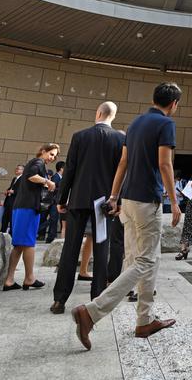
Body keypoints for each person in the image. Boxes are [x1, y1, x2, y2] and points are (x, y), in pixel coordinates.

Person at [72, 82, 183, 350]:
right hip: (147, 201)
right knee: (145, 261)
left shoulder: (134, 124)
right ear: (174, 103)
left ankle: (145, 320)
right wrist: (175, 203)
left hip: (128, 201)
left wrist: (113, 195)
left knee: (141, 259)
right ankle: (92, 311)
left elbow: (123, 162)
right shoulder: (165, 124)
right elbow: (164, 163)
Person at [51, 101, 125, 315]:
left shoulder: (80, 136)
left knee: (70, 249)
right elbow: (121, 173)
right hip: (103, 203)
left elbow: (70, 170)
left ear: (98, 112)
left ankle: (59, 300)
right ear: (113, 116)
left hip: (78, 200)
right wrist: (117, 200)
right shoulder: (120, 139)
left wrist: (61, 198)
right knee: (102, 249)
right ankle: (97, 299)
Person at [2, 144, 59, 291]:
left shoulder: (35, 163)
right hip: (28, 207)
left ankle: (10, 280)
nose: (52, 158)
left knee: (20, 245)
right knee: (28, 243)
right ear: (43, 151)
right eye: (51, 154)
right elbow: (32, 176)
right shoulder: (38, 162)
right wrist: (48, 181)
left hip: (22, 206)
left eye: (54, 155)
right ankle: (29, 278)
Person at [0, 164, 24, 234]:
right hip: (9, 200)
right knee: (5, 217)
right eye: (16, 168)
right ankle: (2, 231)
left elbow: (21, 190)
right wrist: (7, 190)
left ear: (23, 171)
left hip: (14, 201)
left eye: (18, 169)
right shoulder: (15, 178)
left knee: (12, 218)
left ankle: (11, 233)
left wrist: (13, 191)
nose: (16, 170)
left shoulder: (23, 179)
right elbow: (11, 187)